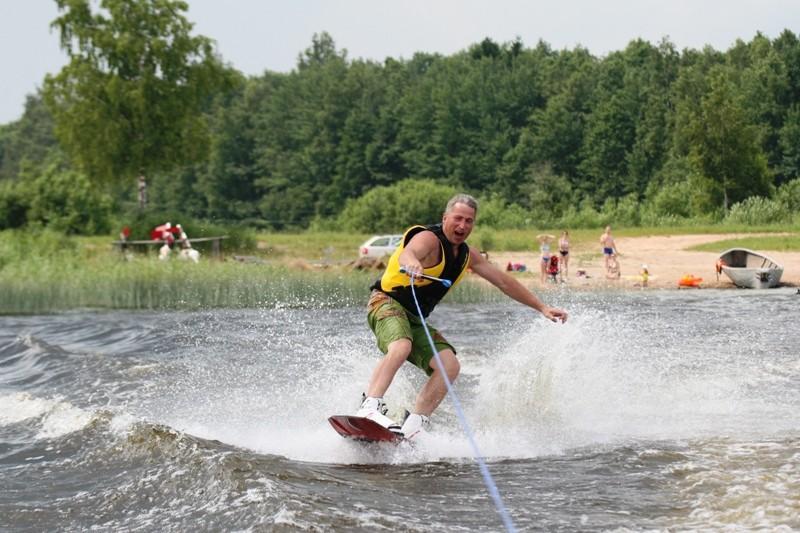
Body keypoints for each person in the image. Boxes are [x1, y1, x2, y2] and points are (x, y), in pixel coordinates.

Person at [357, 194, 568, 440]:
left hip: (414, 318)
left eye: (469, 221)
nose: (462, 226)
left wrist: (541, 307)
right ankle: (369, 407)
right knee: (401, 345)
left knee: (449, 366)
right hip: (385, 302)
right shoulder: (427, 238)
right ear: (445, 217)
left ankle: (414, 426)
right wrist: (413, 262)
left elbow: (503, 281)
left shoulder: (468, 255)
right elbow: (409, 253)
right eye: (457, 219)